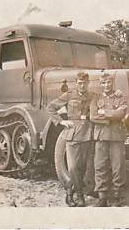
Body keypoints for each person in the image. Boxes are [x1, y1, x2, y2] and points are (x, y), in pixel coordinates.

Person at [47, 72, 95, 207]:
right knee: (73, 167)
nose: (82, 85)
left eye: (85, 83)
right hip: (72, 134)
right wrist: (61, 122)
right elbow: (50, 108)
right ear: (76, 83)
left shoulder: (92, 96)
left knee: (83, 167)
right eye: (80, 83)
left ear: (88, 83)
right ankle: (79, 196)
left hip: (87, 135)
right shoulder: (69, 95)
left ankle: (69, 193)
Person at [90, 73, 128, 207]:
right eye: (103, 83)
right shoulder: (96, 98)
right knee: (100, 166)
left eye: (108, 83)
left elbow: (121, 113)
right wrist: (112, 116)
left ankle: (117, 196)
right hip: (101, 136)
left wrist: (104, 113)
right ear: (100, 84)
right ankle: (102, 197)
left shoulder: (120, 97)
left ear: (112, 83)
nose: (106, 85)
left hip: (116, 136)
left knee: (118, 166)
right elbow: (93, 116)